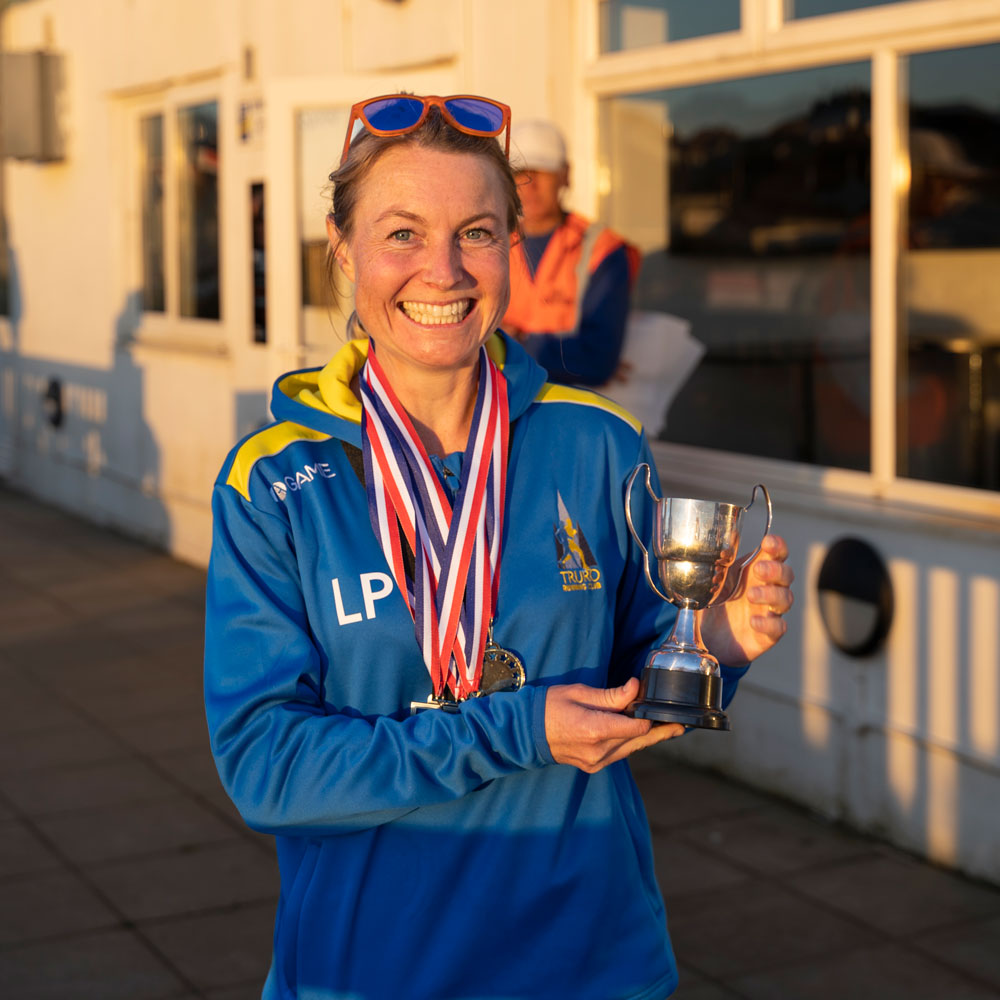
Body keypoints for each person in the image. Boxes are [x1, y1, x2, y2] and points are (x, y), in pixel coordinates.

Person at [204, 92, 794, 1000]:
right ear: (341, 244)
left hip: (588, 961)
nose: (442, 272)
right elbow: (265, 767)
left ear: (511, 243)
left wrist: (720, 642)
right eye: (401, 233)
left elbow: (647, 672)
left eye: (476, 232)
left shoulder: (597, 443)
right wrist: (517, 730)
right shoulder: (275, 479)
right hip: (371, 968)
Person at [503, 118, 640, 386]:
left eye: (541, 171)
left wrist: (503, 345)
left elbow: (597, 361)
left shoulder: (603, 250)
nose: (529, 184)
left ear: (566, 175)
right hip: (498, 409)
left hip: (569, 413)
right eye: (520, 172)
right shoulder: (487, 242)